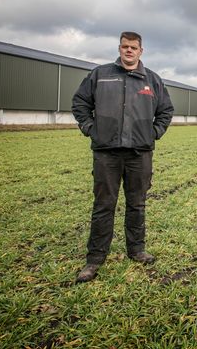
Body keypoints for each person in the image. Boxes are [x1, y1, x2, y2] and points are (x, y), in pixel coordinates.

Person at [72, 31, 174, 283]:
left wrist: (153, 133)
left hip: (139, 154)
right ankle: (95, 258)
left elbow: (166, 111)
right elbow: (80, 103)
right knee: (104, 205)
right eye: (125, 46)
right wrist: (90, 128)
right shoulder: (101, 75)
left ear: (141, 51)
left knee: (137, 203)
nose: (129, 50)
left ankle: (136, 250)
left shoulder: (152, 80)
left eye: (134, 47)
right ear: (119, 48)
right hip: (107, 153)